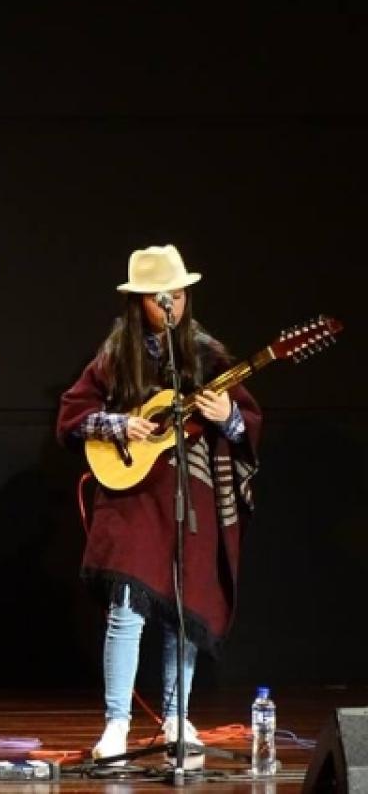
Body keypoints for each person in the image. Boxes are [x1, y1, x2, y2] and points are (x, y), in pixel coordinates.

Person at [56, 244, 261, 761]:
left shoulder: (210, 356)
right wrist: (121, 423)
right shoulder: (114, 355)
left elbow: (246, 425)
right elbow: (73, 415)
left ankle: (176, 717)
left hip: (191, 495)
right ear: (140, 302)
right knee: (127, 612)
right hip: (132, 497)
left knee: (184, 609)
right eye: (159, 296)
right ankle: (117, 724)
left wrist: (225, 417)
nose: (171, 302)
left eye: (178, 293)